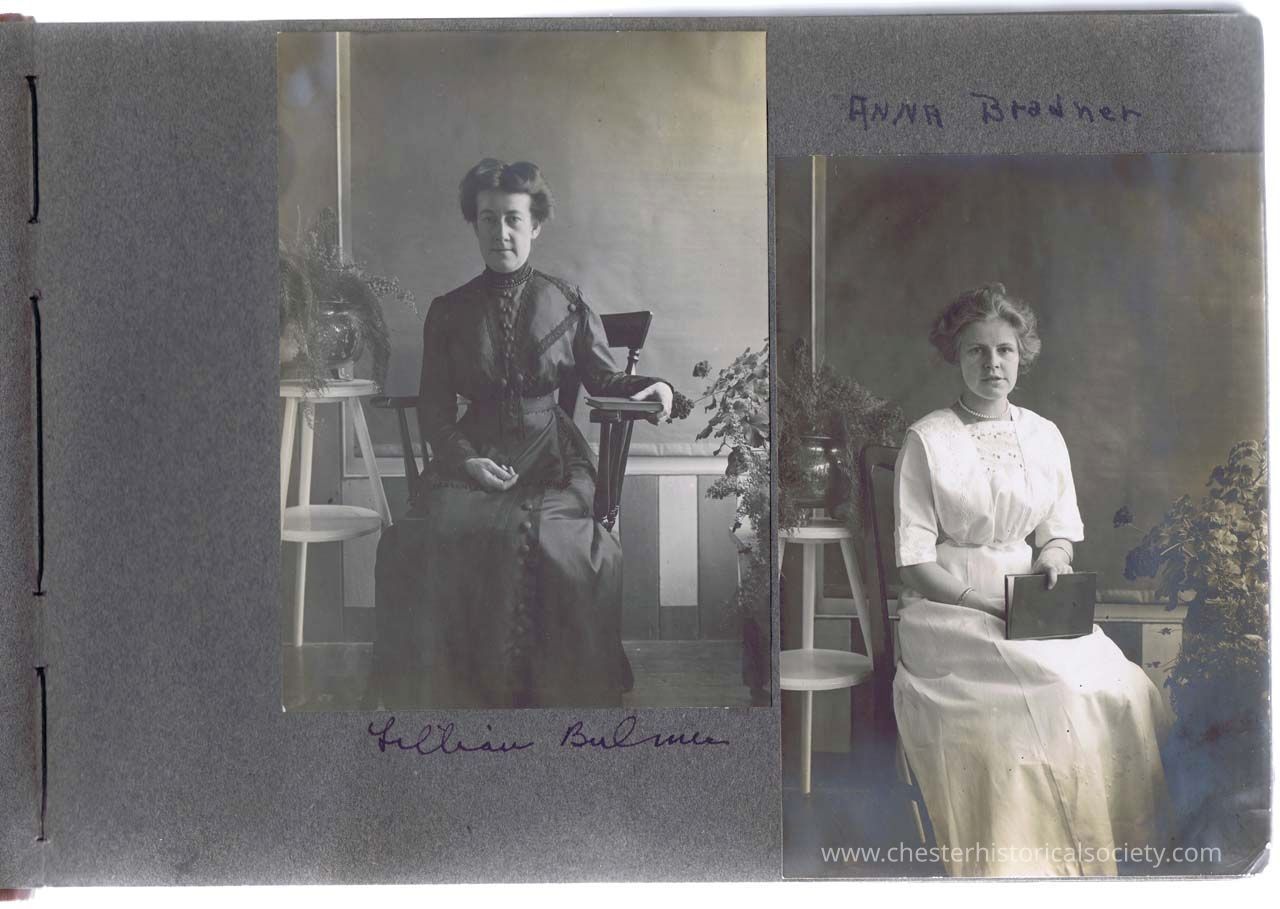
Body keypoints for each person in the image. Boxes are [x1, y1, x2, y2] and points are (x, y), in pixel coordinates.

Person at [892, 284, 1171, 877]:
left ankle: (1105, 844)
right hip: (950, 606)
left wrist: (1053, 561)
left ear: (1022, 356)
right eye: (976, 351)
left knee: (1122, 686)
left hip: (1033, 598)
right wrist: (984, 603)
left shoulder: (1044, 435)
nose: (992, 364)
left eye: (1005, 351)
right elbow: (914, 562)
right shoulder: (927, 439)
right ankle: (1033, 862)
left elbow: (1058, 532)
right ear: (955, 355)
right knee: (1055, 690)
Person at [372, 159, 672, 708]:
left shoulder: (566, 301)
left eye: (513, 219)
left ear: (535, 225)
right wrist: (466, 461)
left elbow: (604, 379)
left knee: (562, 542)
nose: (501, 233)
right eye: (488, 219)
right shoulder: (449, 311)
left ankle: (551, 693)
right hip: (474, 454)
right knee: (428, 535)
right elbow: (435, 409)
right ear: (475, 224)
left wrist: (651, 386)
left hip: (551, 458)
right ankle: (456, 692)